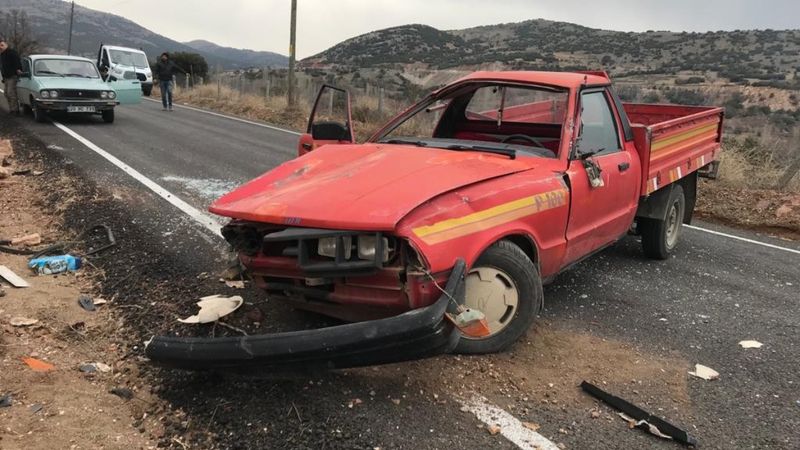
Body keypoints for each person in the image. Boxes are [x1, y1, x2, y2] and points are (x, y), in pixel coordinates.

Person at [0, 37, 23, 115]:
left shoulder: (11, 52)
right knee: (6, 93)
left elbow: (17, 61)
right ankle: (12, 109)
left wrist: (18, 69)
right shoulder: (2, 54)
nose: (1, 47)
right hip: (6, 77)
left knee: (11, 93)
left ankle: (16, 110)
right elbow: (3, 66)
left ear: (5, 45)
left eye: (2, 45)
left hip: (12, 76)